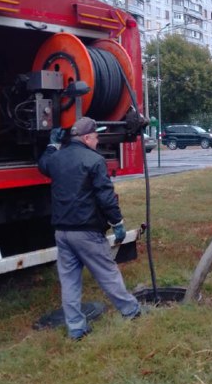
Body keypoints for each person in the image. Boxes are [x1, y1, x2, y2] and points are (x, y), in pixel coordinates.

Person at [38, 116, 141, 339]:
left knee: (69, 281)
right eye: (95, 137)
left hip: (62, 232)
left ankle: (76, 328)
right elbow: (105, 196)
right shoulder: (94, 160)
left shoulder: (57, 158)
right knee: (107, 273)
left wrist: (51, 145)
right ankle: (132, 311)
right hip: (87, 231)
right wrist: (118, 222)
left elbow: (43, 165)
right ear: (86, 137)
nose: (97, 141)